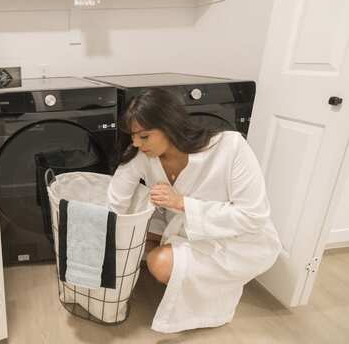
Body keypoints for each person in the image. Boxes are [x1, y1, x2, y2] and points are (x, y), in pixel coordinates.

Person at [107, 88, 281, 333]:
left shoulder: (230, 147)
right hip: (185, 229)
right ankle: (189, 270)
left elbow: (253, 217)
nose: (136, 143)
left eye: (144, 136)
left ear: (169, 126)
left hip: (238, 239)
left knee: (159, 262)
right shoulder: (144, 154)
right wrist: (106, 232)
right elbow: (118, 196)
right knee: (128, 240)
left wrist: (182, 203)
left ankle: (207, 297)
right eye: (133, 136)